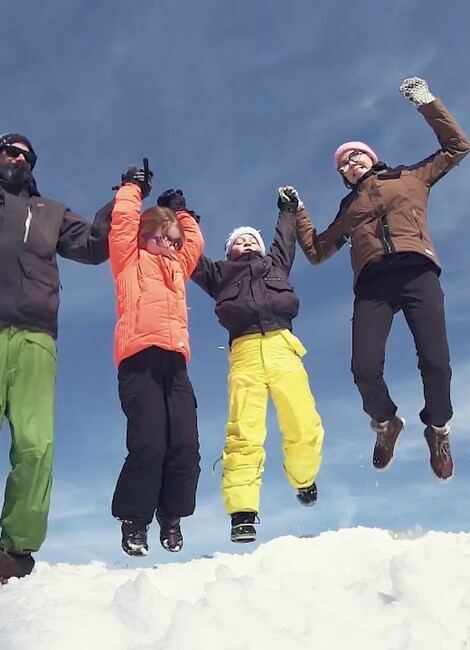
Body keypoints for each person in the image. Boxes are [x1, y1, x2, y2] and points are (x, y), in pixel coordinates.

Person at [295, 77, 470, 481]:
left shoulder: (411, 178)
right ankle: (387, 423)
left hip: (417, 271)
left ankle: (438, 429)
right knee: (364, 369)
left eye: (355, 156)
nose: (350, 163)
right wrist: (298, 212)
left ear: (371, 158)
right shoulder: (348, 210)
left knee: (436, 364)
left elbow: (458, 147)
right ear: (343, 177)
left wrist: (426, 103)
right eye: (343, 164)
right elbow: (318, 252)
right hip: (373, 284)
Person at [0, 132, 114, 581]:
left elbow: (95, 245)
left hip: (35, 336)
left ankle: (14, 551)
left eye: (27, 156)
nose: (18, 159)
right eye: (10, 150)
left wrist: (124, 198)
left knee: (35, 444)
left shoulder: (50, 212)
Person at [186, 188, 325, 544]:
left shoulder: (275, 265)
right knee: (244, 432)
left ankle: (303, 478)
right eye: (239, 240)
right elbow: (189, 256)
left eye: (251, 239)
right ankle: (242, 512)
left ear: (261, 248)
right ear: (229, 251)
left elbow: (286, 239)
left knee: (303, 422)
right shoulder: (219, 274)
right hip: (245, 353)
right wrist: (181, 215)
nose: (246, 242)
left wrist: (288, 210)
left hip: (283, 347)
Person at [109, 173, 204, 558]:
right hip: (138, 360)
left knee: (185, 445)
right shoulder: (129, 259)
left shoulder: (178, 268)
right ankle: (135, 521)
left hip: (176, 364)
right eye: (162, 235)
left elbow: (194, 241)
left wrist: (181, 211)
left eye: (174, 239)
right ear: (147, 234)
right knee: (149, 443)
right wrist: (134, 188)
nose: (170, 243)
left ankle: (172, 516)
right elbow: (123, 223)